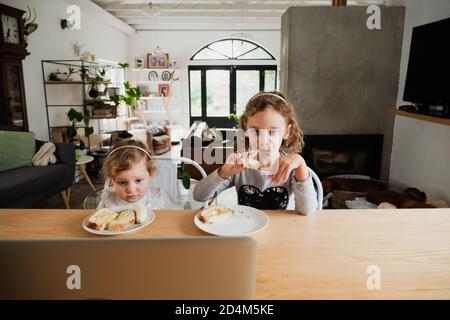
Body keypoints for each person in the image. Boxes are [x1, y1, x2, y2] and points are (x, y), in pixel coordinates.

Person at [193, 91, 318, 214]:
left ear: (287, 132)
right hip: (246, 229)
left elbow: (308, 210)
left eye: (272, 132)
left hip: (280, 231)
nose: (263, 140)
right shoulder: (240, 167)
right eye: (256, 132)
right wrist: (223, 173)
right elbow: (199, 196)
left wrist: (301, 164)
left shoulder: (290, 168)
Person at [97, 139, 180, 210]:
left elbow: (177, 218)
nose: (131, 190)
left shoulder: (160, 199)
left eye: (138, 180)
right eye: (122, 182)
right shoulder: (108, 201)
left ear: (151, 174)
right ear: (112, 180)